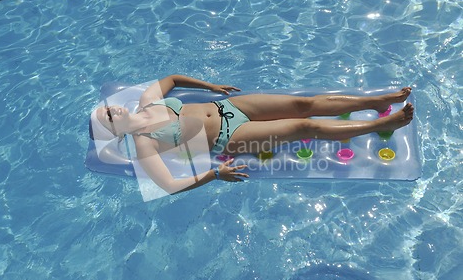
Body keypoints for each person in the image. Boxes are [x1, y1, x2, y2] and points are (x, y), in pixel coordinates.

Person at [91, 75, 414, 194]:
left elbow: (172, 79)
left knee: (303, 104)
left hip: (231, 106)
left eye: (108, 106)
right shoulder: (147, 144)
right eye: (108, 115)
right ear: (114, 131)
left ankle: (377, 101)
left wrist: (211, 87)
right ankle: (382, 124)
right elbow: (170, 185)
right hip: (231, 135)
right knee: (306, 126)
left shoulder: (148, 101)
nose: (114, 108)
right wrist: (215, 173)